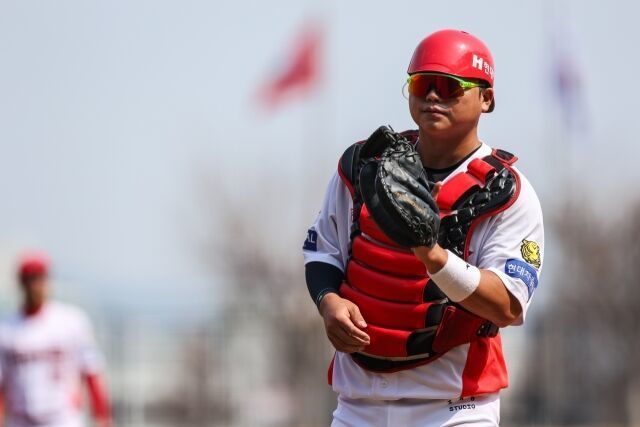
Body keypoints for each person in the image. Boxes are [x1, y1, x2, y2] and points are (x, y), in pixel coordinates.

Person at [303, 29, 544, 426]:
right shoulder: (367, 165)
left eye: (449, 86)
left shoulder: (506, 192)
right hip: (358, 406)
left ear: (486, 98)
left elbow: (507, 304)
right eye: (421, 83)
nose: (433, 95)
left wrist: (433, 257)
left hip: (455, 410)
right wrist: (327, 301)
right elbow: (322, 249)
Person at [0, 251, 112, 427]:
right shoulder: (6, 329)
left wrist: (102, 417)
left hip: (61, 418)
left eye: (39, 279)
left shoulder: (71, 321)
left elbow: (91, 371)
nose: (34, 286)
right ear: (21, 283)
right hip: (21, 419)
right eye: (29, 279)